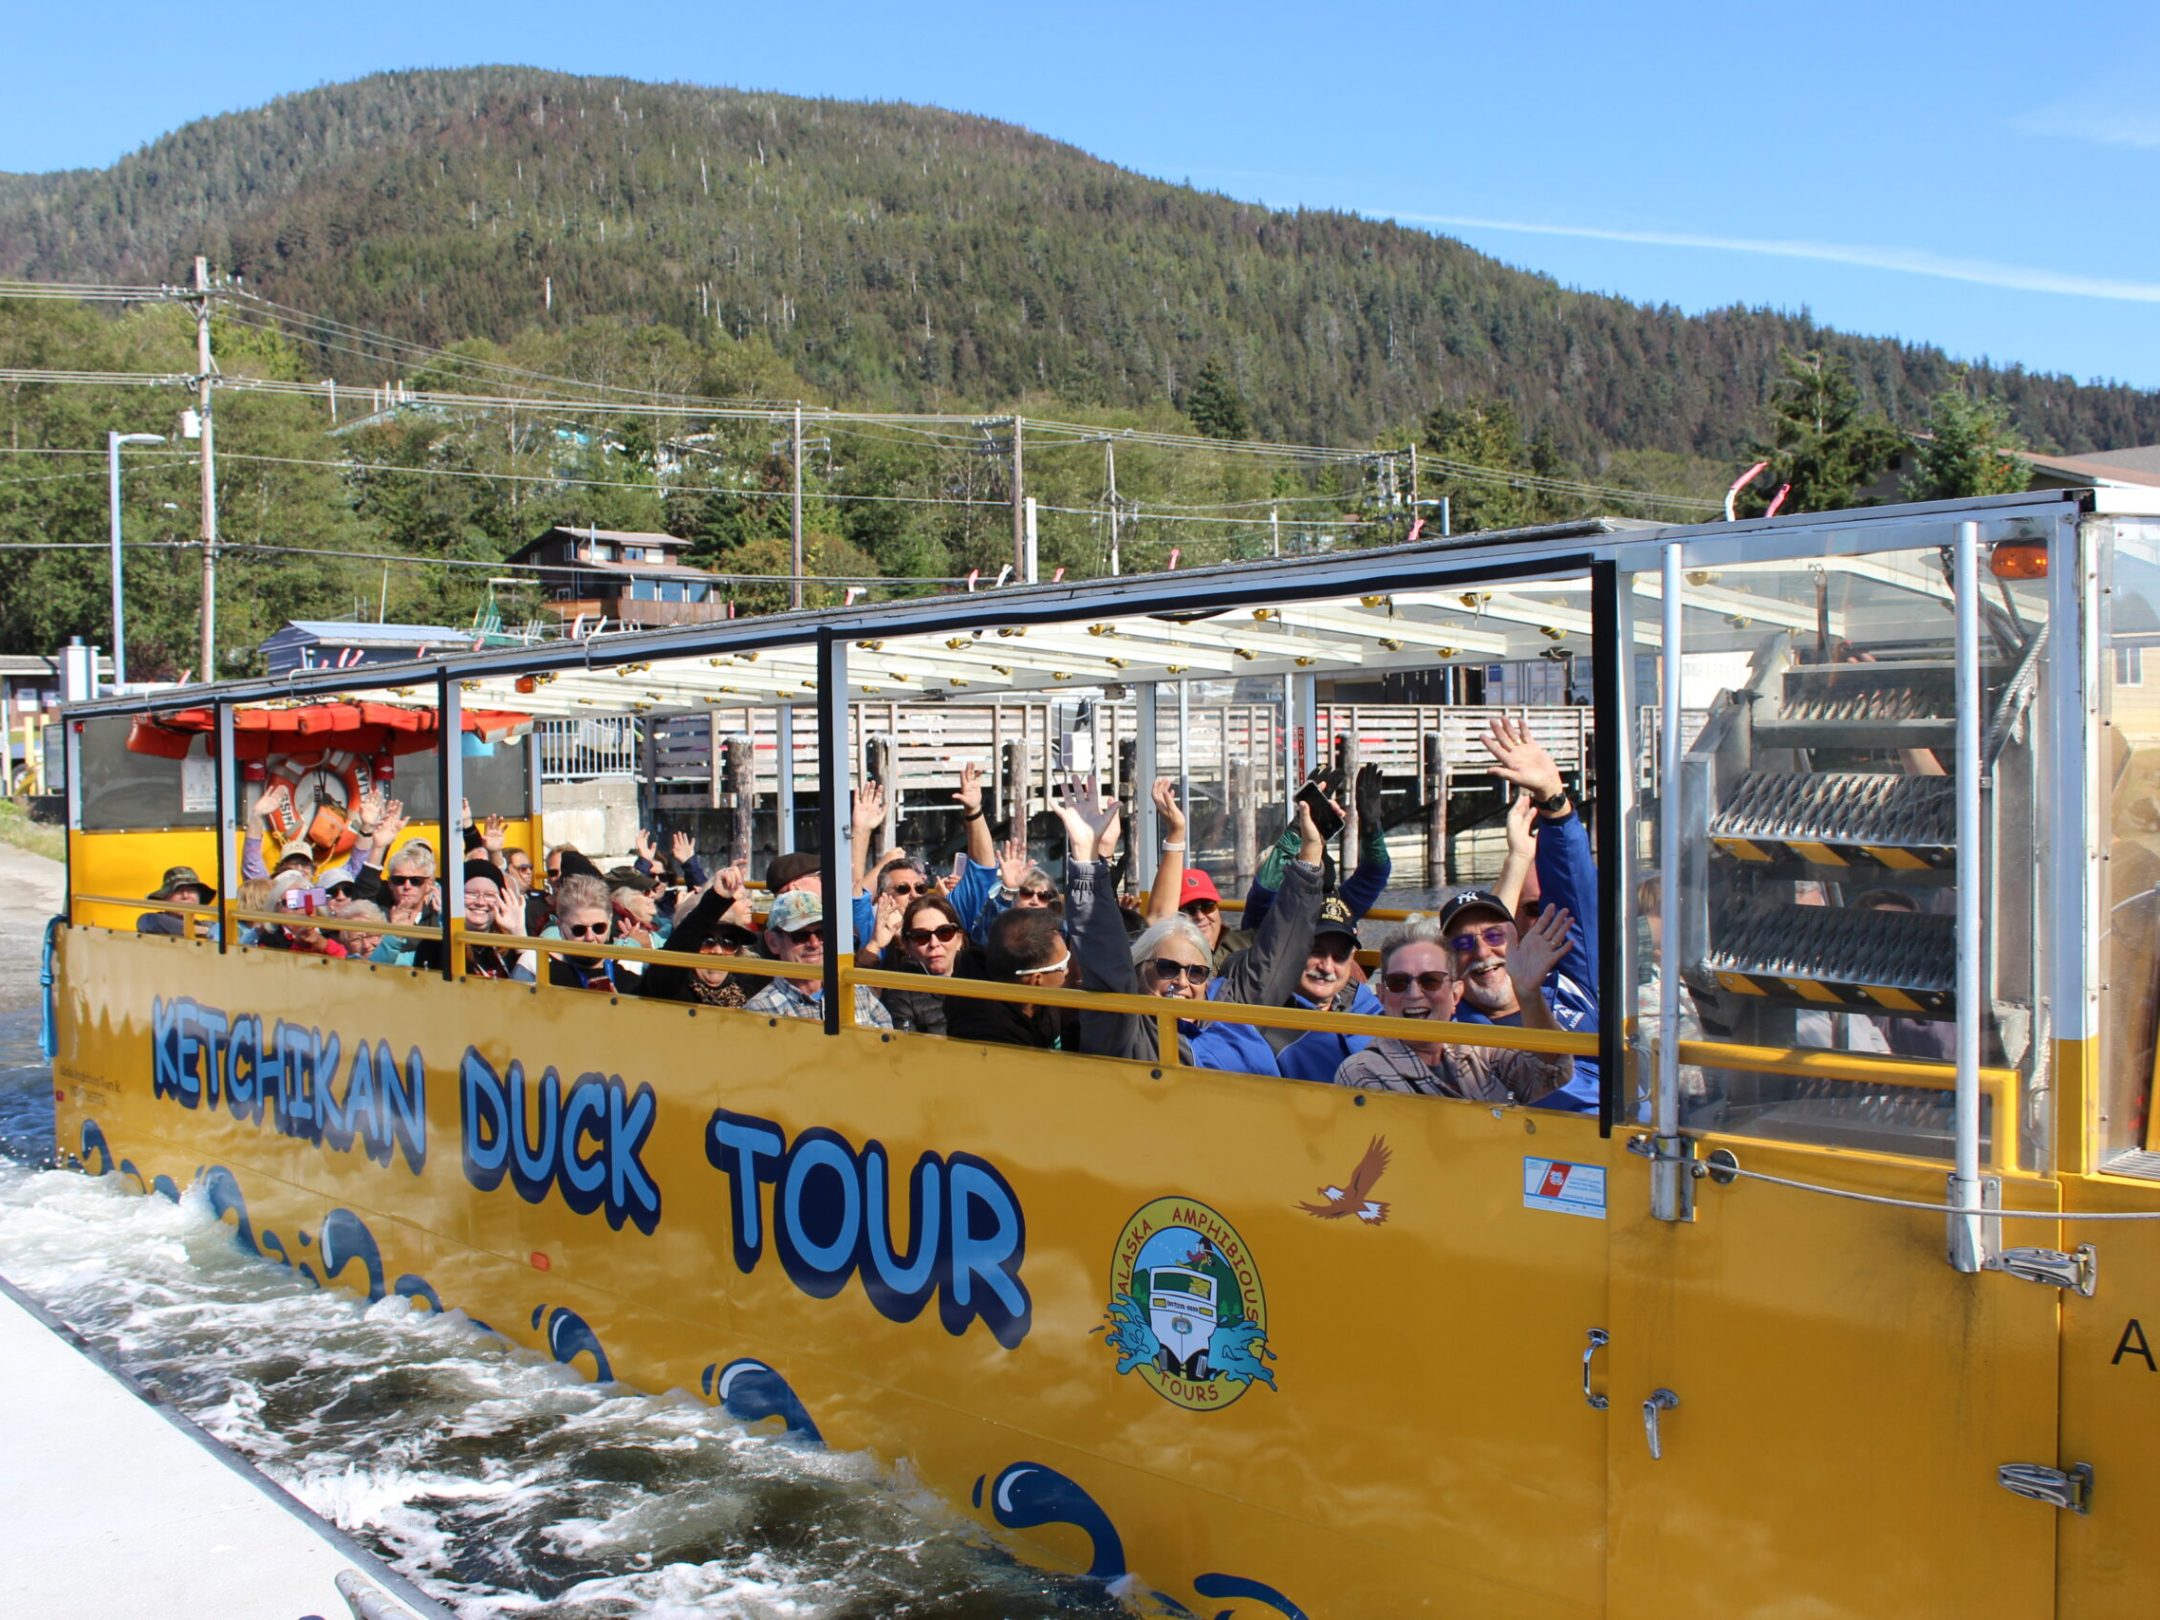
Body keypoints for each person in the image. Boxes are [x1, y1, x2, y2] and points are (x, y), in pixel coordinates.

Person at [1068, 781, 1325, 1074]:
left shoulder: (1225, 1008)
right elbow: (1105, 956)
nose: (1182, 981)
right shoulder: (1129, 1032)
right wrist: (1087, 863)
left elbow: (1279, 954)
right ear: (1138, 970)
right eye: (1166, 967)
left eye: (1196, 972)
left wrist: (1310, 853)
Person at [1439, 718, 1602, 1112]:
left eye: (1494, 936)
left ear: (1517, 939)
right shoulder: (1448, 1028)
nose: (1481, 952)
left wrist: (1554, 803)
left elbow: (1575, 894)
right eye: (1463, 943)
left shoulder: (1569, 985)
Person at [1333, 912, 1576, 1101]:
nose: (1414, 994)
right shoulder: (1362, 1072)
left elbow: (1551, 1072)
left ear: (1455, 994)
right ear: (1382, 995)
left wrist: (1529, 995)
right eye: (1399, 982)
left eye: (1431, 980)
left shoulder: (1478, 1050)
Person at [1267, 896, 1386, 1083]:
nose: (1327, 967)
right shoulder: (1264, 1023)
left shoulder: (1371, 1007)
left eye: (1340, 956)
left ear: (1352, 957)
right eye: (1316, 951)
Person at [1142, 780, 1255, 967]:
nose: (1201, 916)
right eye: (1188, 910)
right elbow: (1160, 921)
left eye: (1208, 905)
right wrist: (1176, 833)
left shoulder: (1243, 947)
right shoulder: (1169, 963)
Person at [745, 889, 893, 1028]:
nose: (814, 943)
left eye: (822, 932)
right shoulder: (759, 1012)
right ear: (773, 942)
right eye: (800, 935)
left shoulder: (859, 992)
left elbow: (890, 1048)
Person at [948, 907, 1072, 1050]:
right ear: (1036, 980)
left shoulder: (1042, 1004)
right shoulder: (990, 1039)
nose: (1068, 971)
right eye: (1063, 965)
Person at [640, 865, 760, 1007]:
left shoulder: (746, 988)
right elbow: (677, 951)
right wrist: (716, 899)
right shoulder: (669, 987)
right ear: (690, 944)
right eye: (706, 941)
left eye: (729, 942)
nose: (718, 951)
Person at [863, 891, 968, 1035]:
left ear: (959, 940)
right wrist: (874, 945)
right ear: (907, 945)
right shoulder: (898, 994)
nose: (934, 943)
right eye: (921, 937)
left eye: (945, 932)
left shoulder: (982, 978)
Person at [459, 860, 535, 982]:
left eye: (489, 895)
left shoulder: (510, 944)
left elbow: (536, 985)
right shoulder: (436, 943)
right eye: (471, 893)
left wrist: (519, 933)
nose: (480, 902)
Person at [548, 872, 623, 991]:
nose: (589, 937)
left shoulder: (630, 968)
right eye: (579, 930)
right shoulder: (543, 975)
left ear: (610, 922)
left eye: (598, 928)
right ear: (560, 926)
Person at [138, 865, 216, 938]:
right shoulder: (151, 921)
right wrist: (205, 932)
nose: (185, 896)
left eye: (191, 890)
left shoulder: (208, 925)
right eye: (177, 891)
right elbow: (149, 922)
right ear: (165, 898)